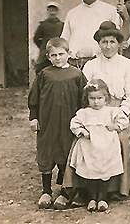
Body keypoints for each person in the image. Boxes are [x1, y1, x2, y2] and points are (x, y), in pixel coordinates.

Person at [66, 21, 130, 201]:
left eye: (112, 42)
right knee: (84, 140)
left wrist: (120, 115)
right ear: (98, 44)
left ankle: (114, 187)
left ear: (119, 44)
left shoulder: (127, 64)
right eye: (104, 42)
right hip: (94, 111)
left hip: (120, 111)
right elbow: (85, 96)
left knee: (118, 138)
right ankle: (84, 186)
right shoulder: (90, 66)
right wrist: (91, 119)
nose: (108, 46)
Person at [28, 37, 87, 209]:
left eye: (61, 54)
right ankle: (46, 190)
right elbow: (34, 98)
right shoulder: (44, 74)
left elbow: (83, 100)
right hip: (47, 122)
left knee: (65, 153)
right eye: (53, 55)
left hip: (68, 123)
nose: (58, 58)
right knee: (46, 153)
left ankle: (64, 191)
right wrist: (34, 117)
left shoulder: (76, 74)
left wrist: (83, 120)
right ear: (48, 56)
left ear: (68, 54)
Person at [69, 79, 128, 212]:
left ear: (106, 98)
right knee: (90, 171)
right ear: (87, 99)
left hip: (107, 148)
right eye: (92, 98)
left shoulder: (112, 111)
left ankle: (102, 198)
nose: (96, 102)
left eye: (100, 98)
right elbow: (74, 124)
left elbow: (124, 121)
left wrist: (115, 126)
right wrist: (82, 132)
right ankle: (91, 198)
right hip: (89, 147)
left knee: (104, 172)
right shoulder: (84, 113)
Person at [60, 0, 130, 69]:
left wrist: (126, 19)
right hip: (75, 64)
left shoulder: (110, 10)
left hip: (100, 64)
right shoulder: (72, 13)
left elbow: (122, 39)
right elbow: (64, 41)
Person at [33, 1, 64, 73]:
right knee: (41, 71)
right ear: (48, 11)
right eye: (50, 10)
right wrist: (44, 46)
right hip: (45, 53)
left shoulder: (61, 25)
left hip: (58, 52)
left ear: (57, 12)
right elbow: (36, 38)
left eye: (54, 10)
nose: (52, 12)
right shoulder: (43, 25)